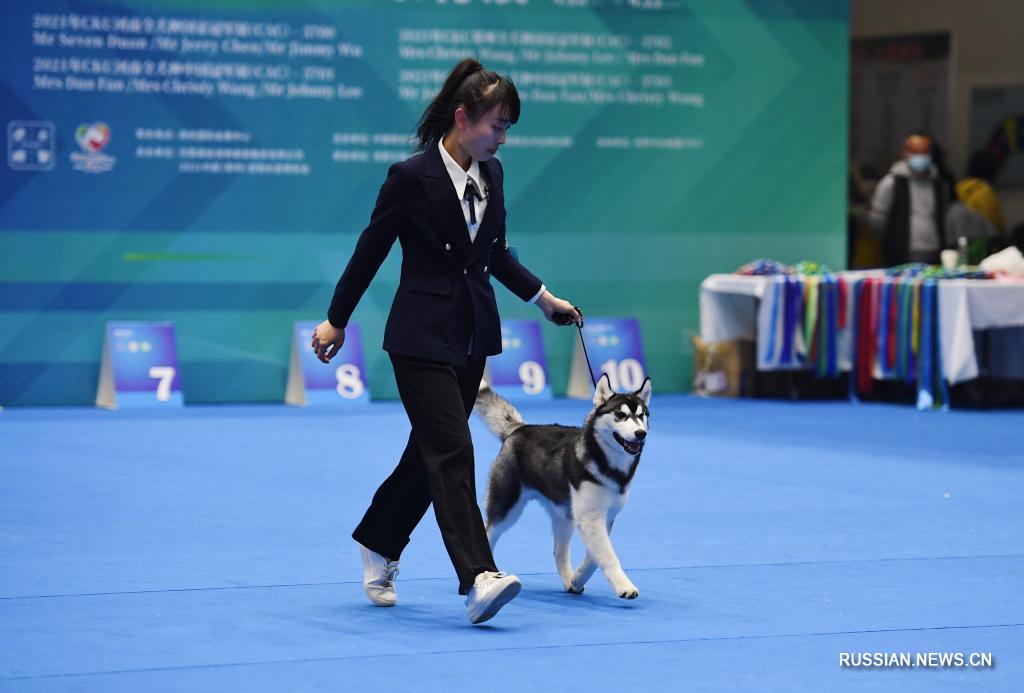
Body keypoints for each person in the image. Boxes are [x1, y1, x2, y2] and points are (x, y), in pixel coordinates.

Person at [310, 58, 581, 625]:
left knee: (428, 455)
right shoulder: (410, 178)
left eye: (507, 128)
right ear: (463, 117)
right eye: (496, 125)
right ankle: (478, 577)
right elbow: (370, 251)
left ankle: (378, 540)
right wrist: (337, 320)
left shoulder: (493, 175)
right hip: (418, 338)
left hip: (472, 337)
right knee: (454, 451)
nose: (502, 138)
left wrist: (544, 298)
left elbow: (497, 253)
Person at [869, 133, 949, 266]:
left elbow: (943, 216)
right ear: (905, 153)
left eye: (925, 152)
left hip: (934, 252)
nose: (921, 157)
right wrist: (892, 241)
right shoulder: (892, 183)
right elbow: (877, 219)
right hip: (901, 254)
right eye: (916, 152)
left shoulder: (939, 184)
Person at [956, 150, 1007, 235]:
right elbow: (995, 222)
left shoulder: (959, 187)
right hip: (981, 241)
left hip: (959, 238)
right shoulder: (985, 192)